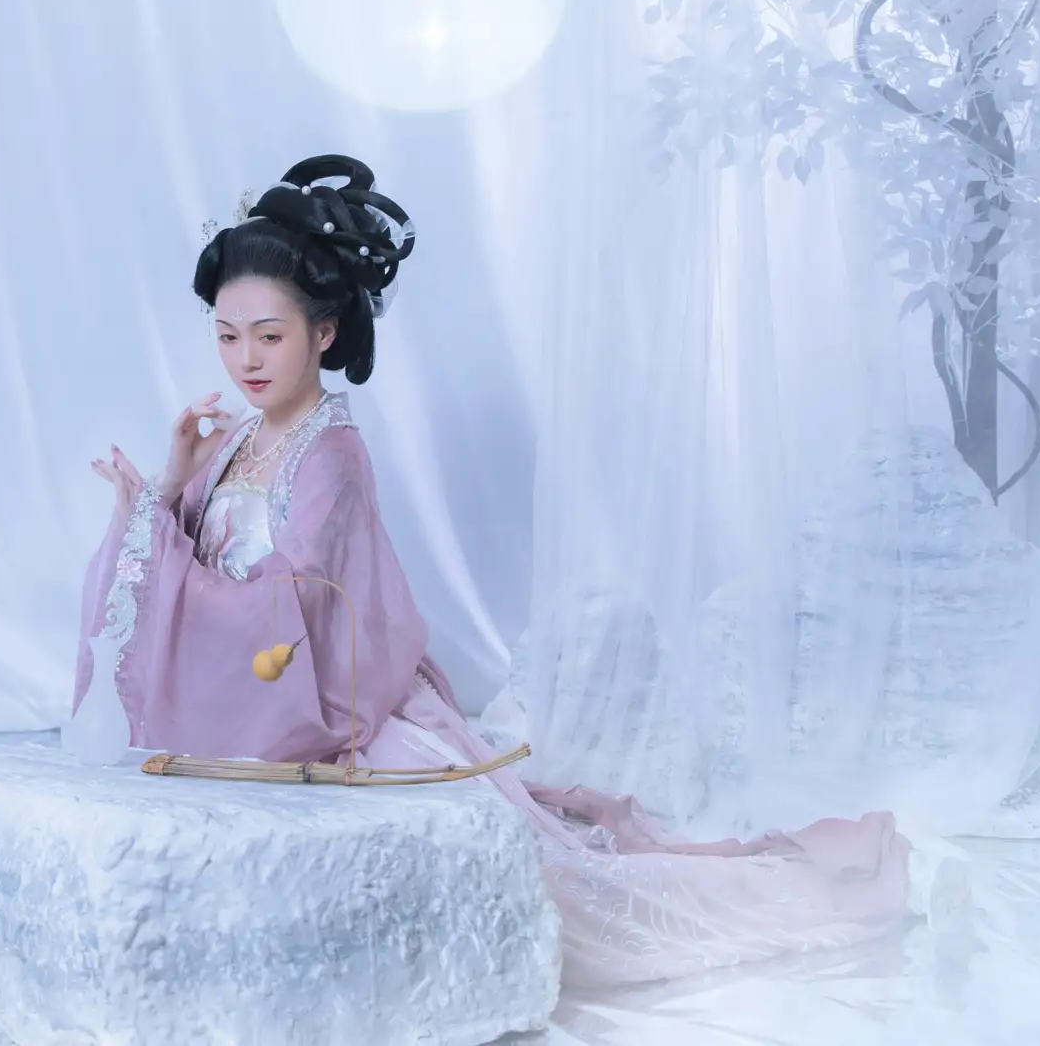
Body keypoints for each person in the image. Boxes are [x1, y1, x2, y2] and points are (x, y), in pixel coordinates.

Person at [74, 154, 919, 988]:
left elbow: (287, 616)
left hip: (322, 704)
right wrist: (169, 485)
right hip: (250, 702)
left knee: (563, 890)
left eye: (269, 335)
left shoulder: (328, 455)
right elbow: (187, 570)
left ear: (323, 332)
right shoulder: (232, 438)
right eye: (227, 336)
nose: (245, 360)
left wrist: (152, 520)